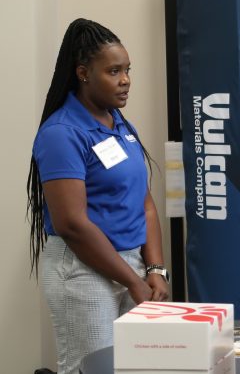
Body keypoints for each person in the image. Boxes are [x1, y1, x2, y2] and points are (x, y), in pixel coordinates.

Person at [27, 19, 169, 374]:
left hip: (133, 265)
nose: (125, 80)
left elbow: (145, 204)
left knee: (138, 368)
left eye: (127, 70)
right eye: (114, 71)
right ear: (83, 74)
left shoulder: (119, 123)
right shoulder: (62, 133)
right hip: (83, 271)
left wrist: (154, 269)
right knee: (91, 369)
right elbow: (72, 224)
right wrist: (133, 281)